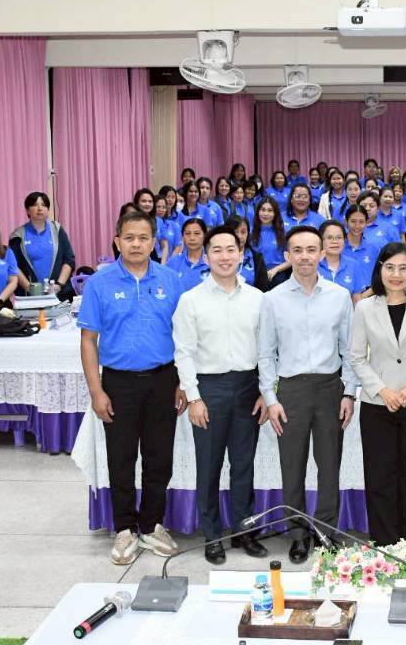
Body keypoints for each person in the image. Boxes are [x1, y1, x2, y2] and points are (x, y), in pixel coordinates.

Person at [78, 210, 186, 565]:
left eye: (143, 238)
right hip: (118, 383)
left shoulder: (171, 280)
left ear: (154, 242)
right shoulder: (100, 283)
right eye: (129, 238)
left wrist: (183, 383)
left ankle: (152, 524)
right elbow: (88, 340)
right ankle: (124, 528)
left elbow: (185, 337)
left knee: (159, 458)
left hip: (163, 380)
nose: (136, 244)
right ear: (117, 241)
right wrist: (96, 391)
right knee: (121, 458)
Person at [258, 226, 358, 563]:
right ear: (287, 256)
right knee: (292, 467)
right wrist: (271, 399)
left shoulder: (339, 296)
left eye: (311, 249)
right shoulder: (272, 299)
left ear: (322, 253)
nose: (305, 257)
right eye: (297, 250)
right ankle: (299, 534)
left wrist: (349, 393)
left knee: (329, 466)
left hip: (330, 388)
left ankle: (326, 533)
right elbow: (265, 355)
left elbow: (350, 350)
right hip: (291, 391)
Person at [173, 224, 268, 565]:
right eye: (217, 250)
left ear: (241, 254)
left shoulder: (258, 299)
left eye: (231, 249)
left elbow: (267, 350)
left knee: (243, 465)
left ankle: (244, 532)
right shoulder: (191, 300)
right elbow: (184, 352)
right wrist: (195, 397)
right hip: (209, 389)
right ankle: (212, 536)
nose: (225, 256)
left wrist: (266, 391)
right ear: (206, 257)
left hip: (247, 388)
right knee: (209, 466)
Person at [347, 243, 406, 547]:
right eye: (390, 267)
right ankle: (384, 547)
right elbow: (356, 357)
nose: (396, 274)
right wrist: (382, 390)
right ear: (380, 270)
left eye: (403, 268)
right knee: (380, 478)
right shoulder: (365, 308)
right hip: (377, 405)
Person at [10, 191, 75, 300]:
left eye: (44, 205)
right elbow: (13, 266)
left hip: (59, 294)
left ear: (48, 210)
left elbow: (69, 260)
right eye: (35, 205)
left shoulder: (57, 230)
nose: (40, 208)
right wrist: (30, 288)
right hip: (30, 296)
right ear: (27, 210)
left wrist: (59, 285)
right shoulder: (18, 235)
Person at [166, 217, 212, 294]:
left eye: (197, 233)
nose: (192, 238)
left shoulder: (214, 262)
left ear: (205, 236)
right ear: (182, 237)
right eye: (187, 234)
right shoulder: (173, 263)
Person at [318, 219, 363, 298]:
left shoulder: (353, 265)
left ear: (344, 240)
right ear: (321, 240)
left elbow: (356, 298)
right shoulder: (314, 264)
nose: (334, 241)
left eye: (339, 237)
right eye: (329, 237)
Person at [250, 198, 290, 286]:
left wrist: (276, 269)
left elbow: (291, 260)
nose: (265, 214)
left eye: (270, 210)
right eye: (263, 210)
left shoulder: (283, 233)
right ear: (258, 212)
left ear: (275, 213)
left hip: (277, 274)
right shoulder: (250, 233)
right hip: (256, 274)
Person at [224, 215, 270, 292]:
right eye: (235, 232)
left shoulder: (257, 258)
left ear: (248, 233)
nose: (239, 236)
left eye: (243, 232)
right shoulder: (219, 257)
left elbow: (263, 290)